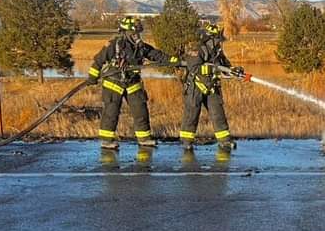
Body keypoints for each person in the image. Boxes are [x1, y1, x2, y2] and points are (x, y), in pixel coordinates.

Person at [87, 16, 180, 150]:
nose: (136, 36)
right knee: (111, 112)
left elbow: (156, 55)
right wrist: (92, 76)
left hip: (133, 83)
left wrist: (173, 60)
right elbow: (98, 61)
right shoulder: (114, 45)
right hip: (114, 83)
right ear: (125, 32)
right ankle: (107, 141)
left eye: (137, 33)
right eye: (133, 33)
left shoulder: (141, 47)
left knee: (140, 111)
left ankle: (144, 139)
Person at [180, 21, 243, 152]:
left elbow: (225, 66)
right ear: (211, 39)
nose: (220, 43)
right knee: (192, 113)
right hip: (195, 87)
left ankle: (224, 140)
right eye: (217, 40)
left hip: (212, 86)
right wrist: (213, 70)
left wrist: (234, 70)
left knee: (218, 112)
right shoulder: (197, 50)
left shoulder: (218, 53)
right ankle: (187, 142)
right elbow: (194, 67)